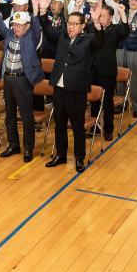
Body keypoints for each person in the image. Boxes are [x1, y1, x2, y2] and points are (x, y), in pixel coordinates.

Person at [0, 0, 44, 162]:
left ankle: (28, 148)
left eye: (19, 25)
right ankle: (13, 144)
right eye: (14, 24)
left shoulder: (31, 37)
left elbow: (37, 27)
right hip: (8, 79)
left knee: (26, 116)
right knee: (10, 115)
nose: (16, 27)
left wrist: (36, 9)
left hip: (23, 80)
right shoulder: (10, 35)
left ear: (27, 26)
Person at [47, 11, 98, 172]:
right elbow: (48, 30)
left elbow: (100, 42)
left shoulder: (88, 39)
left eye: (75, 24)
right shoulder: (62, 37)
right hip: (59, 87)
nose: (71, 26)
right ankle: (61, 154)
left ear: (83, 26)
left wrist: (96, 25)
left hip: (76, 89)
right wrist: (41, 12)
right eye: (69, 23)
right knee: (59, 123)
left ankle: (79, 158)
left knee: (77, 125)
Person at [86, 0, 129, 141]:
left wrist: (122, 13)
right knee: (93, 100)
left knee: (107, 101)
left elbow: (125, 30)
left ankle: (108, 130)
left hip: (107, 71)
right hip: (92, 70)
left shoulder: (115, 30)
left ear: (111, 17)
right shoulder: (92, 27)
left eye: (103, 16)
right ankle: (95, 127)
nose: (100, 18)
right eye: (99, 15)